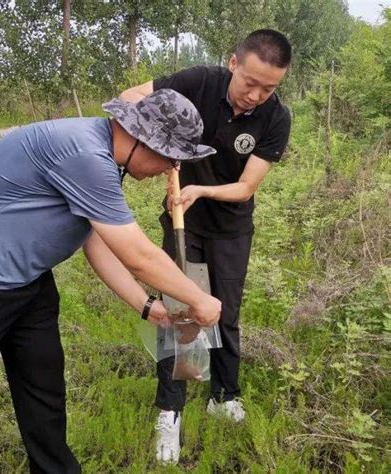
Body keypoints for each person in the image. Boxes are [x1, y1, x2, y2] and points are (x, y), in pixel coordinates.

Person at [0, 89, 222, 473]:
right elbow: (139, 256)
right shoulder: (84, 154)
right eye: (171, 157)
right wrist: (200, 300)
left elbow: (96, 240)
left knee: (44, 400)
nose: (172, 169)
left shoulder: (106, 158)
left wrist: (148, 308)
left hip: (26, 281)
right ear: (145, 140)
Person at [120, 29, 292, 464]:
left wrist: (201, 190)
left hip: (231, 227)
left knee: (225, 312)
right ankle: (170, 411)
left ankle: (223, 395)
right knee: (181, 311)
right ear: (233, 62)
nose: (256, 94)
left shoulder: (276, 117)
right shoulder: (199, 82)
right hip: (183, 223)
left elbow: (247, 185)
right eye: (250, 82)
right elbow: (130, 96)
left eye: (268, 87)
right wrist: (152, 138)